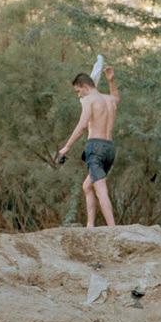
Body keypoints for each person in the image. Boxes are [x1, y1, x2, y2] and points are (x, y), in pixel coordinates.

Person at [56, 67, 121, 227]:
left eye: (78, 91)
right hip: (109, 148)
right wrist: (111, 81)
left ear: (85, 86)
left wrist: (66, 147)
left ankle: (113, 228)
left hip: (96, 147)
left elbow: (83, 125)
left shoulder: (89, 100)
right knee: (87, 186)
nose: (79, 95)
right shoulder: (109, 99)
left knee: (100, 189)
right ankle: (90, 226)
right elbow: (117, 98)